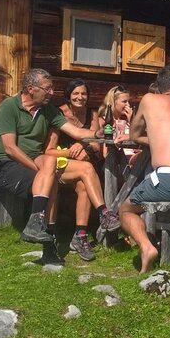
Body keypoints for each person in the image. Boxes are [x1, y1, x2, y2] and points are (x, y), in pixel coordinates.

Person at [0, 69, 104, 247]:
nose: (52, 93)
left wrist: (97, 133)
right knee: (50, 180)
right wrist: (41, 172)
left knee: (80, 168)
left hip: (37, 159)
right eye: (47, 88)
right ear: (31, 88)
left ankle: (100, 216)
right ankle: (45, 232)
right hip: (6, 164)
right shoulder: (9, 106)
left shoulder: (48, 110)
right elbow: (10, 148)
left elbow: (76, 131)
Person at [119, 66, 170, 273]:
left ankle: (147, 247)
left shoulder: (149, 100)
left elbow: (134, 135)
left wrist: (155, 140)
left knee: (125, 210)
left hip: (166, 180)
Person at [43, 79, 117, 261]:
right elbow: (48, 151)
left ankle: (80, 236)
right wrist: (70, 152)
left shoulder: (91, 115)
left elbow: (96, 145)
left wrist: (82, 145)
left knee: (84, 184)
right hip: (59, 166)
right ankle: (104, 212)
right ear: (68, 95)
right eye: (76, 93)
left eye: (83, 93)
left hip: (80, 170)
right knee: (87, 168)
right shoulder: (60, 114)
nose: (80, 97)